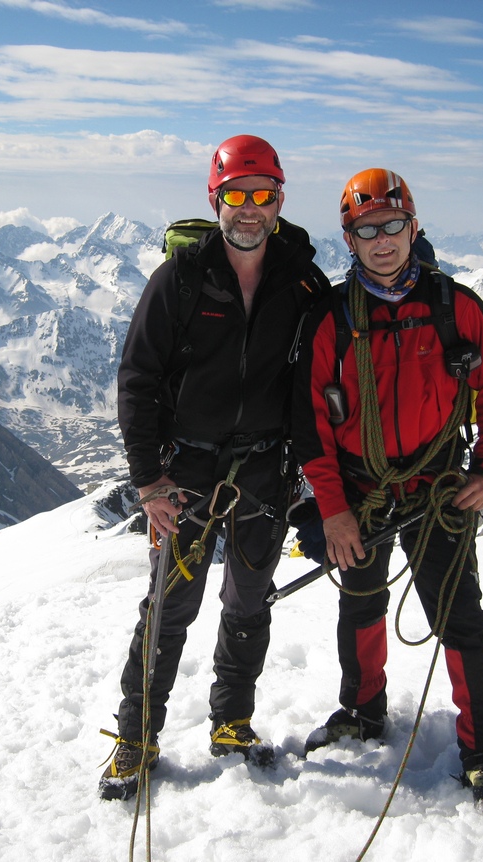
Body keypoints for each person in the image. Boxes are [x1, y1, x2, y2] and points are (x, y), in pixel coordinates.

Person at [100, 135, 330, 801]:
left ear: (280, 200)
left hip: (265, 470)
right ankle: (136, 736)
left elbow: (320, 381)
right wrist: (149, 481)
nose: (249, 208)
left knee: (249, 600)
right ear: (215, 199)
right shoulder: (179, 279)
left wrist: (318, 485)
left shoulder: (302, 282)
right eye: (236, 194)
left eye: (262, 194)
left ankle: (232, 722)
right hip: (186, 473)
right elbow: (138, 380)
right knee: (170, 606)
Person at [291, 168, 483, 810]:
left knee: (460, 616)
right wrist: (333, 509)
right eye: (367, 231)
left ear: (413, 228)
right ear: (349, 240)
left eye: (392, 225)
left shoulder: (455, 306)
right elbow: (310, 424)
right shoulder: (331, 317)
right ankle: (363, 712)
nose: (383, 240)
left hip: (438, 488)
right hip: (359, 491)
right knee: (360, 602)